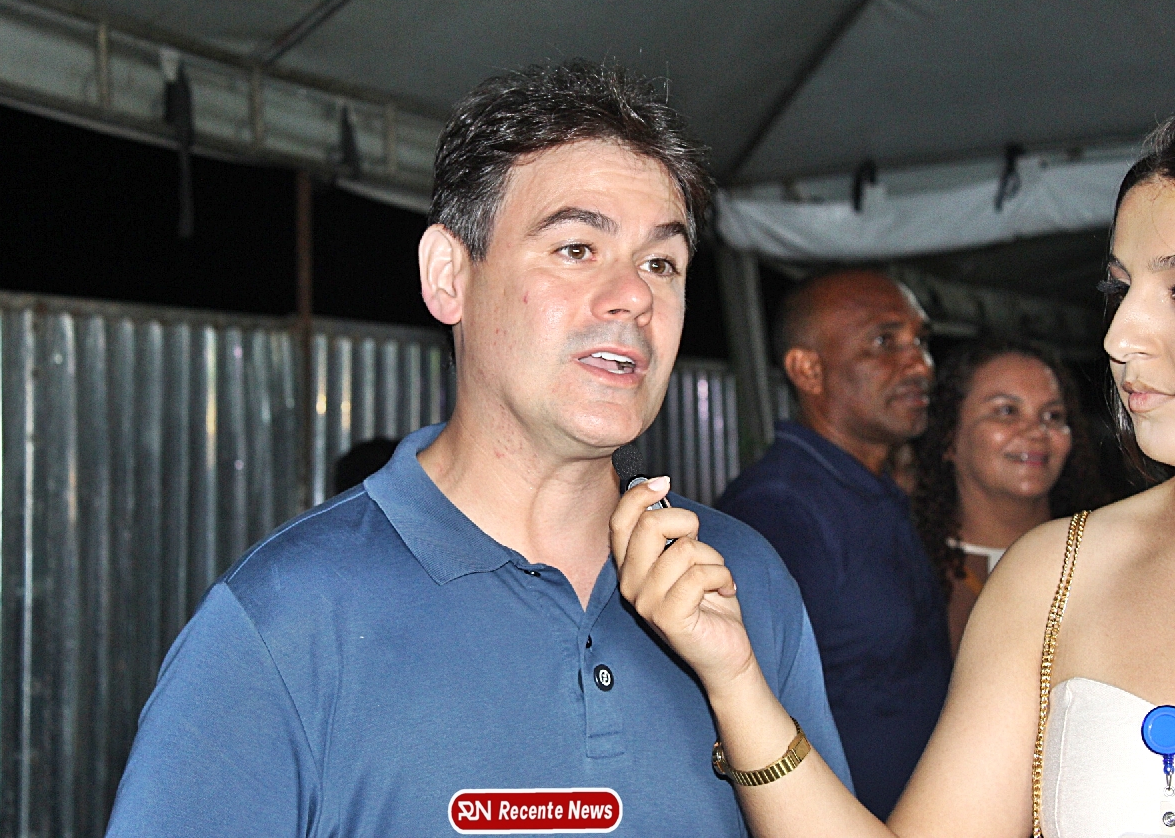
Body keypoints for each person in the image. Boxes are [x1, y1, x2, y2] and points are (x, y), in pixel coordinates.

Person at [104, 60, 849, 837]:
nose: (635, 294)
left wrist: (736, 679)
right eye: (576, 248)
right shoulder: (286, 618)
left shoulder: (742, 582)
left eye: (662, 262)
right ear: (448, 276)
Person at [611, 116, 1175, 838]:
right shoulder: (1051, 573)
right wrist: (736, 682)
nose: (1119, 336)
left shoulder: (890, 505)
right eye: (1118, 290)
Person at [716, 269, 950, 820]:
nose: (920, 365)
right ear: (808, 370)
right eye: (884, 342)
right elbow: (748, 717)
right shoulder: (780, 510)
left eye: (920, 341)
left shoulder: (873, 489)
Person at [913, 340, 1108, 655]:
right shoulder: (906, 566)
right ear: (949, 436)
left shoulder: (1107, 561)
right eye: (1007, 411)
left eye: (1053, 415)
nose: (1036, 431)